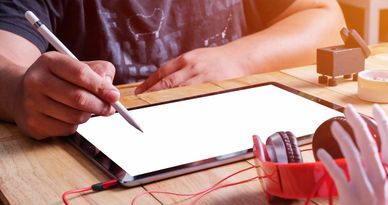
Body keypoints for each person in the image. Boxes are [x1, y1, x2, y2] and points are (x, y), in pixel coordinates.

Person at [0, 0, 345, 140]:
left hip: (237, 146)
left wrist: (238, 59)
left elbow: (325, 18)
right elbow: (6, 57)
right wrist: (19, 92)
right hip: (103, 173)